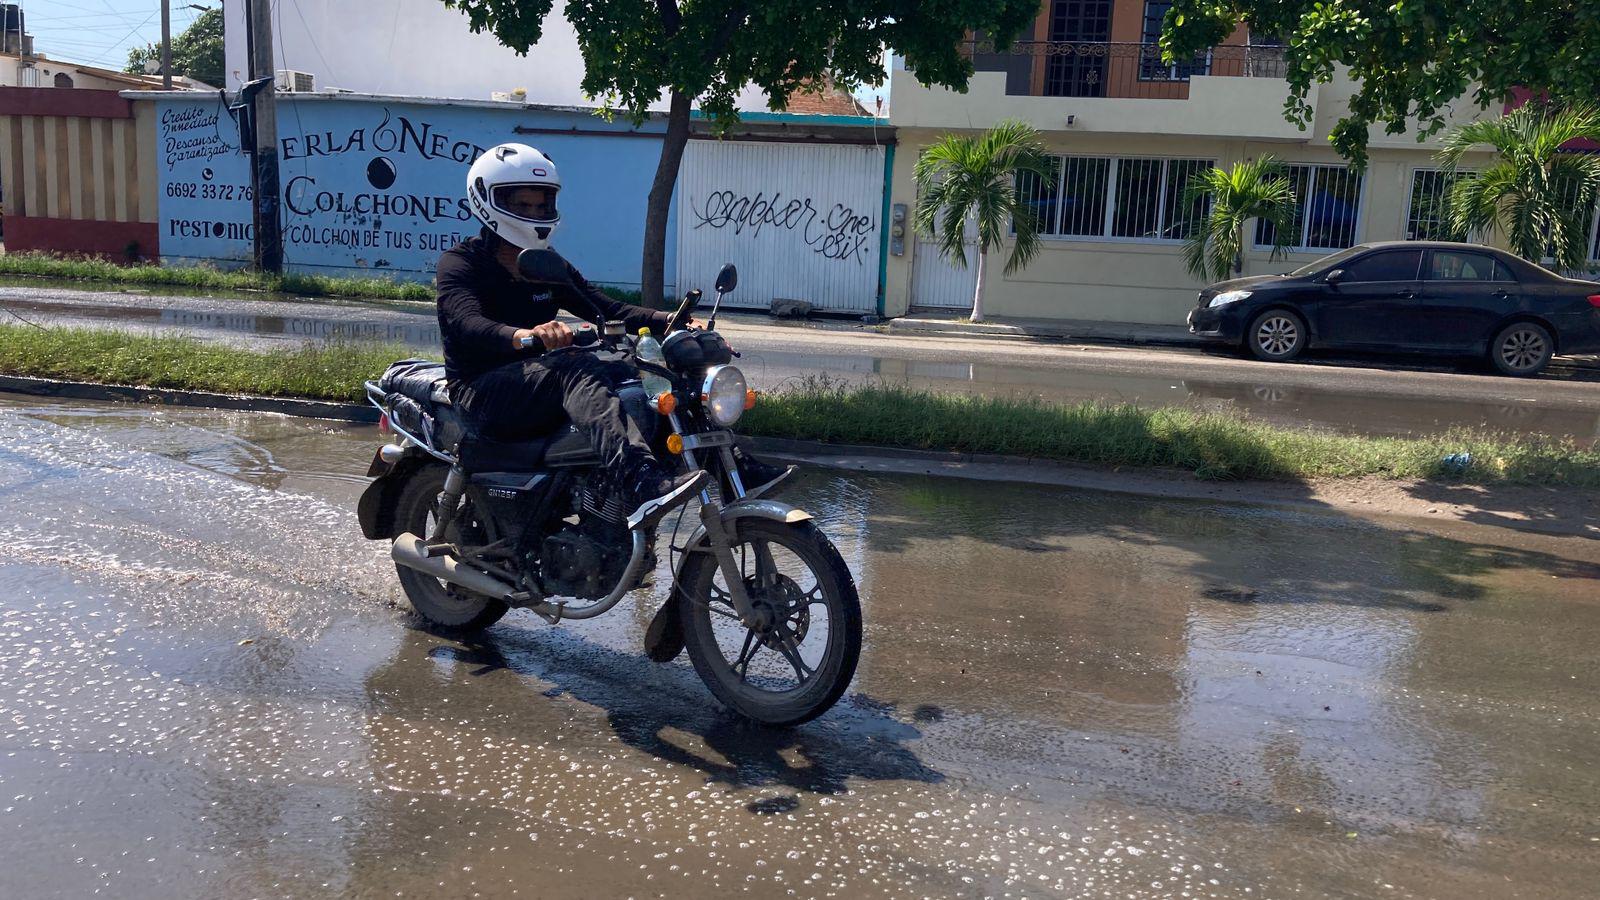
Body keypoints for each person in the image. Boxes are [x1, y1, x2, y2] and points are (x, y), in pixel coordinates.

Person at [436, 143, 790, 528]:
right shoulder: (461, 263)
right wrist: (523, 334)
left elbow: (605, 308)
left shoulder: (546, 263)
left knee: (650, 370)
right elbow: (467, 322)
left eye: (541, 205)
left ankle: (727, 466)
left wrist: (673, 321)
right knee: (574, 367)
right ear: (488, 200)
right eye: (522, 204)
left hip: (538, 383)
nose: (534, 214)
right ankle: (638, 479)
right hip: (482, 392)